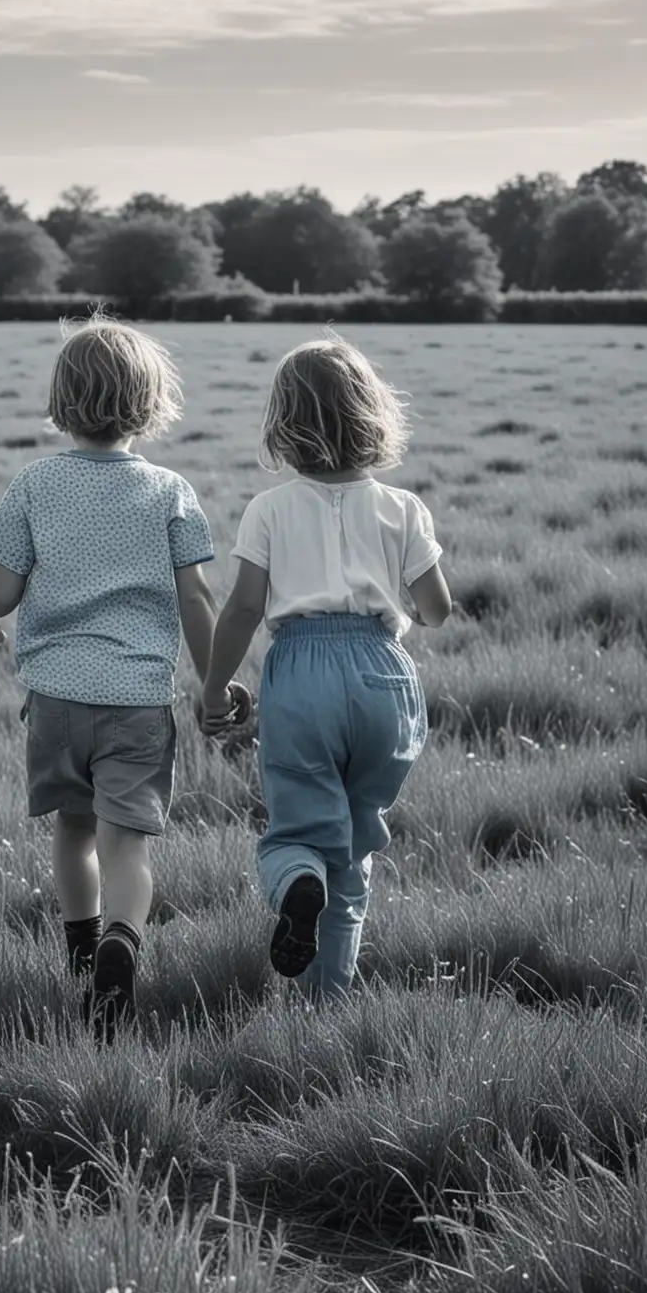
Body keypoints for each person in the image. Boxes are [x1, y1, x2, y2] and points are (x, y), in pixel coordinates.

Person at [0, 314, 249, 1039]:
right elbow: (197, 597)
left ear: (62, 398)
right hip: (137, 697)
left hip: (58, 695)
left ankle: (81, 948)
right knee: (129, 843)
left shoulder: (36, 483)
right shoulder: (169, 491)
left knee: (73, 829)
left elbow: (1, 591)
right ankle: (124, 942)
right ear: (149, 401)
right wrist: (214, 682)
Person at [200, 334, 451, 999]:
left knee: (298, 834)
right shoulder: (403, 507)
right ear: (372, 414)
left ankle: (295, 883)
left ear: (283, 424)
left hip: (303, 673)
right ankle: (327, 1000)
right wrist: (411, 609)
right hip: (383, 677)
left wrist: (215, 686)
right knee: (354, 846)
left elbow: (243, 608)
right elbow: (437, 607)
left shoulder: (270, 508)